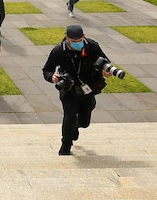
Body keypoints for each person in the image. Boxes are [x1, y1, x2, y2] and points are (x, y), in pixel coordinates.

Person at [42, 24, 115, 155]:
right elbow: (47, 70)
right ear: (66, 37)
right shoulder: (59, 50)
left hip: (87, 87)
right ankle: (66, 145)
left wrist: (106, 71)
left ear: (84, 36)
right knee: (69, 117)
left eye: (79, 41)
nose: (77, 44)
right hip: (68, 88)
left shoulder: (92, 47)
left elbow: (106, 62)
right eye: (73, 41)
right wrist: (51, 77)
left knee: (85, 121)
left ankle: (75, 127)